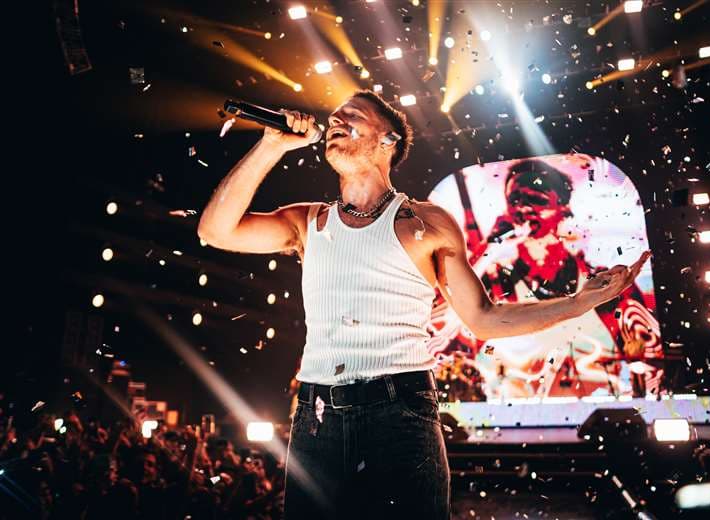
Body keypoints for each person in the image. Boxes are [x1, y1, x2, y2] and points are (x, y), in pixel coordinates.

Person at [197, 89, 650, 519]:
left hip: (400, 412)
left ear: (388, 140)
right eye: (334, 117)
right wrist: (272, 146)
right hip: (318, 418)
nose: (335, 120)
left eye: (351, 115)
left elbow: (484, 318)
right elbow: (214, 231)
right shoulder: (308, 221)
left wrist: (578, 302)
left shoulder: (427, 223)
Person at [430, 157, 662, 398]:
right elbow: (443, 329)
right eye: (515, 200)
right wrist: (488, 248)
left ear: (563, 209)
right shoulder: (495, 282)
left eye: (537, 200)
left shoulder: (600, 283)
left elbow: (647, 356)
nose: (523, 208)